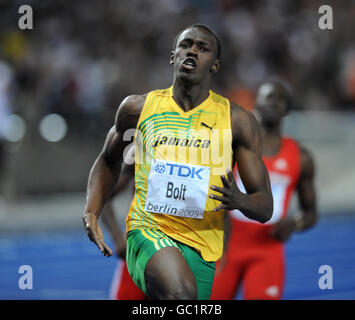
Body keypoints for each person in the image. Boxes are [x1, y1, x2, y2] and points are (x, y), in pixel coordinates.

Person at [82, 23, 273, 300]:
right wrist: (91, 209)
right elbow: (107, 160)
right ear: (174, 56)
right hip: (148, 229)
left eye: (203, 48)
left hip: (202, 245)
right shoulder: (138, 108)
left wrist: (240, 201)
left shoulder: (237, 121)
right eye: (186, 45)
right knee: (181, 294)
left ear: (215, 65)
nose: (193, 51)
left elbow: (265, 206)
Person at [211, 80, 318, 300]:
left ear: (288, 108)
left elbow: (311, 212)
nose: (273, 102)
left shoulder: (301, 157)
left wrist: (295, 223)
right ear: (255, 103)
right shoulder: (230, 145)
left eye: (280, 98)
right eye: (268, 96)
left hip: (268, 250)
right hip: (225, 245)